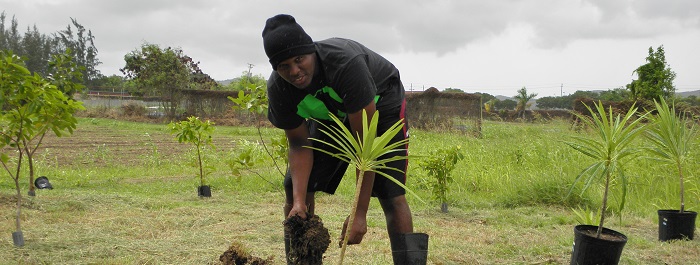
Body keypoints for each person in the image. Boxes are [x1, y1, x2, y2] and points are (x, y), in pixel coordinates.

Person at [262, 14, 428, 264]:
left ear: (312, 52)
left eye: (299, 60)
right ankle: (303, 259)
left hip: (381, 107)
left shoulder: (345, 64)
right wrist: (298, 202)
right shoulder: (279, 89)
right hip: (332, 115)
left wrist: (359, 213)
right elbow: (299, 144)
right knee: (295, 187)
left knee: (390, 192)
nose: (295, 71)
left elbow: (366, 149)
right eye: (284, 66)